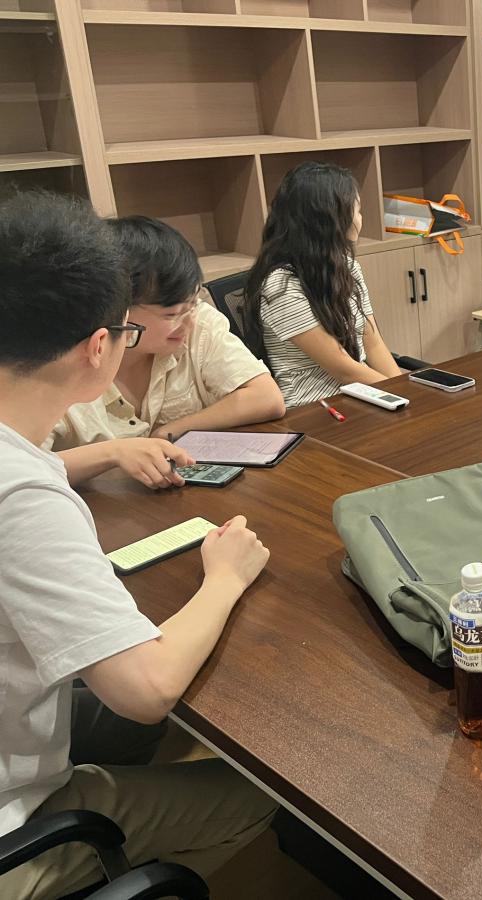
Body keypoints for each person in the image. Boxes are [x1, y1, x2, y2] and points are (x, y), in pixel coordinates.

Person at [0, 191, 277, 899]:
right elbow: (146, 690)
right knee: (266, 793)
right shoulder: (23, 497)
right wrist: (225, 576)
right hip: (13, 823)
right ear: (100, 347)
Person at [45, 216, 286, 486]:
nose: (188, 321)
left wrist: (168, 432)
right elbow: (21, 467)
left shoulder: (197, 322)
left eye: (192, 304)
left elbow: (267, 397)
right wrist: (113, 453)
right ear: (118, 310)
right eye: (171, 314)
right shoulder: (58, 363)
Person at [244, 161, 403, 407]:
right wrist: (399, 396)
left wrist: (402, 388)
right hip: (315, 407)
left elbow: (373, 343)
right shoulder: (281, 287)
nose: (360, 218)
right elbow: (344, 370)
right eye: (357, 210)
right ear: (329, 220)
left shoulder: (346, 265)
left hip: (360, 394)